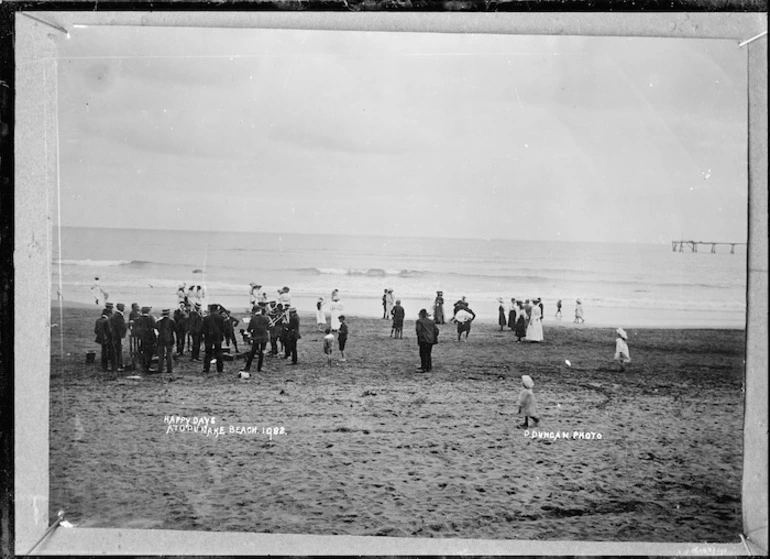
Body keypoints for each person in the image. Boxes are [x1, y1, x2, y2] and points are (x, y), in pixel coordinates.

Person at [242, 306, 270, 373]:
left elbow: (249, 329)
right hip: (264, 337)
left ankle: (248, 367)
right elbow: (268, 327)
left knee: (253, 352)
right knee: (262, 352)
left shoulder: (253, 319)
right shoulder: (265, 318)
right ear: (260, 310)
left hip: (256, 337)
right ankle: (259, 368)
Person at [202, 303, 225, 374]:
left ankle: (206, 368)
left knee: (208, 354)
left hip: (208, 337)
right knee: (218, 353)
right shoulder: (221, 318)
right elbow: (223, 328)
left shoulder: (206, 318)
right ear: (216, 310)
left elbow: (203, 329)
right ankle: (220, 369)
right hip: (218, 337)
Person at [134, 306, 157, 372]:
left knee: (143, 351)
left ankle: (143, 365)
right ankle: (147, 366)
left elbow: (136, 328)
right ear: (148, 311)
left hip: (142, 337)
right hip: (150, 337)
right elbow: (154, 326)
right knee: (149, 352)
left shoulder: (138, 319)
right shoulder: (150, 318)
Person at [155, 309, 176, 374]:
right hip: (169, 339)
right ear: (168, 314)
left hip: (161, 339)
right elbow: (176, 329)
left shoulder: (158, 322)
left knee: (161, 355)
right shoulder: (172, 321)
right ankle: (169, 369)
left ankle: (160, 369)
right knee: (169, 354)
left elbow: (156, 329)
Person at [94, 308, 114, 373]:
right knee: (109, 352)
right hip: (107, 339)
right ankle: (108, 367)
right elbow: (109, 331)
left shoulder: (98, 320)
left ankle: (104, 366)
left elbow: (96, 331)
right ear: (108, 314)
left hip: (101, 339)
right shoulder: (107, 320)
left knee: (103, 352)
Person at [109, 302, 127, 372]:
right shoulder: (118, 316)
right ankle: (118, 366)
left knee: (117, 350)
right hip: (118, 336)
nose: (124, 308)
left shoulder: (115, 315)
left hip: (116, 335)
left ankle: (119, 365)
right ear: (120, 308)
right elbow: (121, 326)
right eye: (123, 307)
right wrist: (128, 324)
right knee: (117, 350)